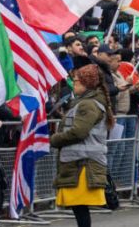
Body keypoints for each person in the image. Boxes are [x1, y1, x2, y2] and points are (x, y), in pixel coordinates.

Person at [50, 60, 115, 227]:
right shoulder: (86, 102)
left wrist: (55, 139)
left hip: (83, 165)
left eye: (77, 81)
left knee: (80, 208)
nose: (73, 84)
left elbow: (79, 132)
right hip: (80, 164)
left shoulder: (88, 104)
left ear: (87, 83)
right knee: (79, 209)